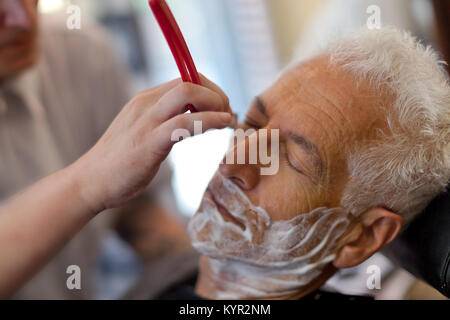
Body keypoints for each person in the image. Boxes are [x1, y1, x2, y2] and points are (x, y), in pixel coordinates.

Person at [158, 27, 450, 300]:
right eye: (253, 124)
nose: (231, 165)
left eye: (292, 161)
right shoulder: (173, 279)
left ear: (361, 238)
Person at [0, 0, 233, 299]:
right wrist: (87, 184)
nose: (24, 18)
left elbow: (138, 210)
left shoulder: (83, 57)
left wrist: (207, 282)